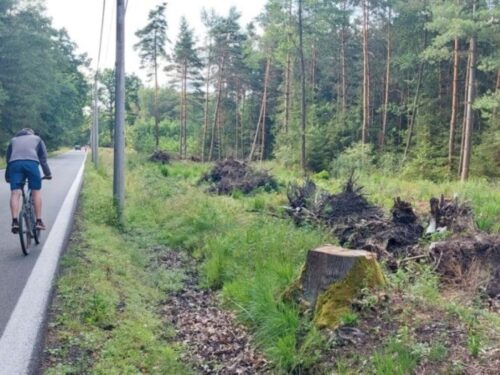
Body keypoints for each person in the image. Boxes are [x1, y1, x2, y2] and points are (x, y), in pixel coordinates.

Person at [5, 128, 52, 233]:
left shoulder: (13, 140)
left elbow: (9, 160)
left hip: (15, 165)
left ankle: (15, 221)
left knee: (15, 193)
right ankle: (39, 221)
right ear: (31, 134)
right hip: (31, 164)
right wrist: (47, 174)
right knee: (36, 191)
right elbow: (43, 159)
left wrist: (8, 176)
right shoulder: (37, 139)